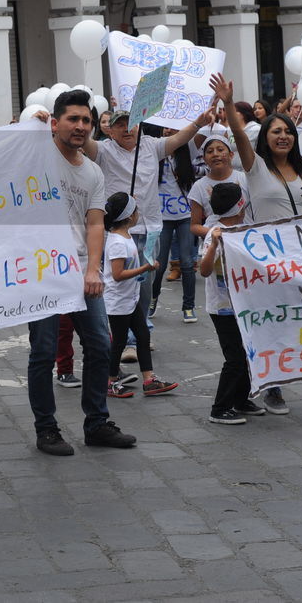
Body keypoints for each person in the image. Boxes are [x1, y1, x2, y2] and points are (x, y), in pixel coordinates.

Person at [216, 80, 302, 415]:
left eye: (287, 131)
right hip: (266, 262)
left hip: (300, 260)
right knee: (273, 325)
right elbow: (240, 134)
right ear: (266, 137)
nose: (282, 136)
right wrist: (230, 103)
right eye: (275, 131)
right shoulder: (255, 167)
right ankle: (272, 389)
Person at [27, 89, 137, 456]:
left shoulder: (92, 172)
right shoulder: (35, 156)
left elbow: (95, 224)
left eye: (87, 121)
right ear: (55, 123)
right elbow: (0, 153)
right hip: (40, 272)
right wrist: (29, 129)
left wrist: (94, 269)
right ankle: (47, 428)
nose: (80, 126)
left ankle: (97, 423)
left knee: (99, 345)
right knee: (43, 351)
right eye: (72, 119)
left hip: (80, 270)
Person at [82, 107, 213, 326]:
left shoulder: (152, 146)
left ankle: (141, 328)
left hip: (150, 228)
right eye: (119, 125)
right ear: (110, 131)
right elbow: (85, 140)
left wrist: (198, 123)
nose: (126, 129)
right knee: (120, 285)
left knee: (145, 285)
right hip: (119, 232)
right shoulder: (103, 150)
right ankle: (126, 337)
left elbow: (180, 138)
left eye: (131, 123)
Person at [196, 182, 263, 424]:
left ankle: (241, 399)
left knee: (247, 353)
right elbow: (204, 270)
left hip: (244, 305)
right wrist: (214, 244)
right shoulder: (215, 232)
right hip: (223, 308)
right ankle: (220, 407)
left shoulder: (245, 229)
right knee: (234, 357)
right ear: (240, 205)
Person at [101, 192, 176, 399]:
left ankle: (149, 379)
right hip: (118, 302)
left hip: (130, 299)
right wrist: (144, 268)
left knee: (142, 335)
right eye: (135, 210)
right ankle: (110, 381)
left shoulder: (125, 236)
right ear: (128, 216)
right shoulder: (117, 242)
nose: (137, 214)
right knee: (119, 341)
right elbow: (117, 275)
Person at [150, 143, 196, 321]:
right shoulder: (154, 152)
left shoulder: (188, 151)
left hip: (186, 216)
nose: (169, 130)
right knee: (158, 264)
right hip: (162, 218)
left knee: (187, 262)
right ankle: (152, 299)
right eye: (166, 128)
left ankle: (189, 307)